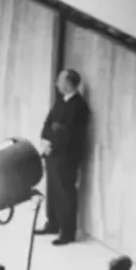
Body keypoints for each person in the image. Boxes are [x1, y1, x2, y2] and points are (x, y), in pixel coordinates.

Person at [41, 69, 93, 244]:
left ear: (69, 84)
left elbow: (68, 133)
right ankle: (53, 223)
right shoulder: (60, 102)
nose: (57, 83)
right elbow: (49, 124)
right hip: (53, 154)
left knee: (66, 193)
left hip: (67, 156)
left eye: (60, 80)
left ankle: (67, 232)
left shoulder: (79, 106)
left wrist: (53, 140)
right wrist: (47, 141)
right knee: (53, 190)